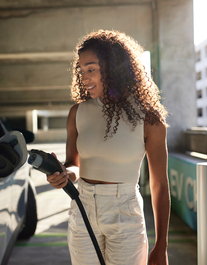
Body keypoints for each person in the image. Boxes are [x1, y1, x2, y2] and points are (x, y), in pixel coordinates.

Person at [47, 29, 170, 265]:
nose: (84, 78)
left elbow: (159, 185)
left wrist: (161, 245)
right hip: (82, 209)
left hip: (125, 212)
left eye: (91, 69)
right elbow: (75, 165)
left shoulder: (149, 119)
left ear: (114, 68)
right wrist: (64, 174)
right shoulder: (77, 113)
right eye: (81, 71)